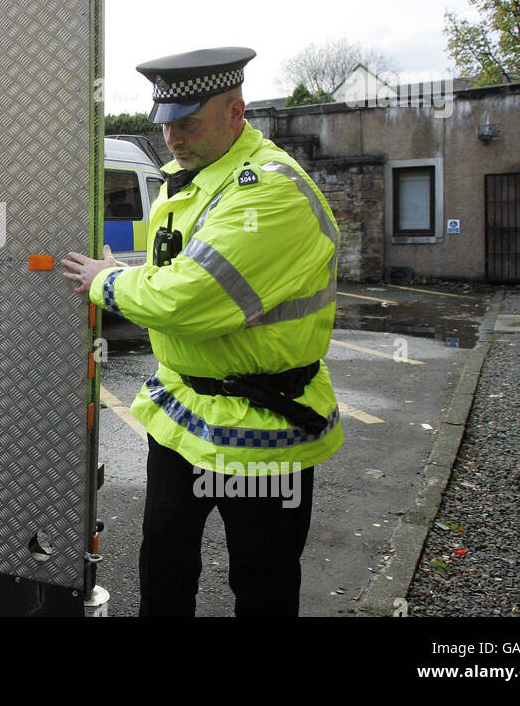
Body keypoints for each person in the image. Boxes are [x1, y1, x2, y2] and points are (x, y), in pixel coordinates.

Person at [61, 47, 344, 617]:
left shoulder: (268, 190)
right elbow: (172, 272)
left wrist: (106, 282)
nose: (171, 136)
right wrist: (132, 273)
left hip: (262, 426)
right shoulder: (188, 180)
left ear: (236, 113)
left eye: (187, 121)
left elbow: (193, 295)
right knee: (163, 569)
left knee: (261, 585)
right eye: (166, 122)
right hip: (184, 414)